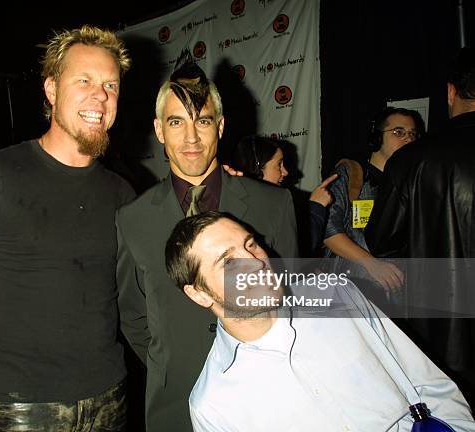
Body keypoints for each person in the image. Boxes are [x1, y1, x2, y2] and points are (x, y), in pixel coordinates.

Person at [0, 25, 134, 431]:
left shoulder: (123, 192)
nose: (101, 95)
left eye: (111, 84)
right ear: (52, 89)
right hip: (23, 408)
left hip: (111, 397)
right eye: (85, 81)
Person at [116, 53, 298, 431]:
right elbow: (133, 315)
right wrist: (169, 362)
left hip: (267, 399)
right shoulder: (132, 219)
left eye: (203, 121)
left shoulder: (272, 203)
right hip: (174, 405)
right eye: (176, 122)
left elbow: (292, 296)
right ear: (159, 130)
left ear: (221, 126)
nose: (191, 137)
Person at [165, 211, 475, 432]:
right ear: (199, 294)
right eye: (229, 262)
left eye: (251, 244)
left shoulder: (336, 295)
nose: (257, 261)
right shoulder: (214, 403)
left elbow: (426, 380)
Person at [365, 47, 475, 404]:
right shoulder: (354, 174)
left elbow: (381, 239)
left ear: (450, 93)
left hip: (438, 336)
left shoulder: (412, 161)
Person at [323, 107, 424, 304]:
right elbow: (328, 230)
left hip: (398, 291)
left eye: (413, 134)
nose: (408, 139)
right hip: (353, 290)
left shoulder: (412, 181)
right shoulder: (351, 174)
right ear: (376, 138)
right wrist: (373, 264)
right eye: (399, 132)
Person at [231, 135, 338, 251]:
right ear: (258, 169)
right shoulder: (267, 207)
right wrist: (317, 206)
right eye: (279, 164)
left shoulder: (238, 200)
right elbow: (296, 251)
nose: (285, 172)